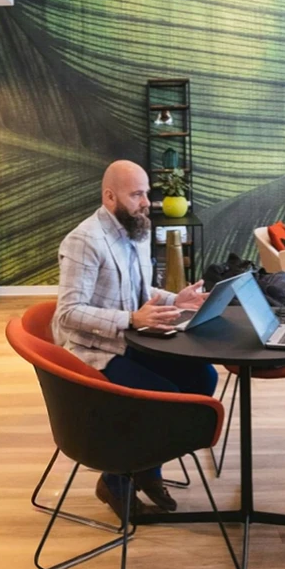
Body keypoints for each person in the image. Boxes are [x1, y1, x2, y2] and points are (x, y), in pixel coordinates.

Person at [53, 160, 218, 520]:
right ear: (110, 196)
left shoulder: (137, 229)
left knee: (204, 378)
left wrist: (177, 300)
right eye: (137, 195)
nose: (147, 202)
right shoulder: (84, 241)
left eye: (147, 193)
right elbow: (67, 313)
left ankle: (147, 468)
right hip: (92, 350)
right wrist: (130, 319)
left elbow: (137, 292)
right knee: (164, 400)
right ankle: (115, 480)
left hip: (132, 340)